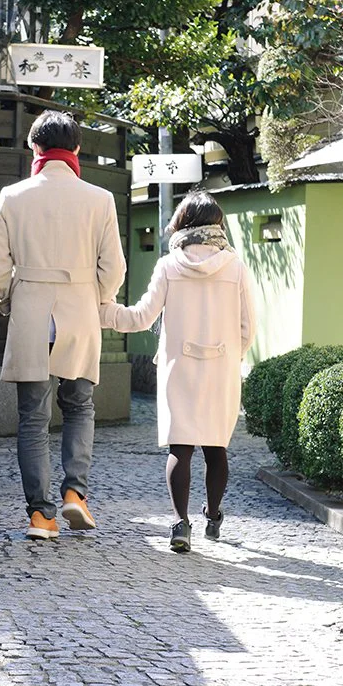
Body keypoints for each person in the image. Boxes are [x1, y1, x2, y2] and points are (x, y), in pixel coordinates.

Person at [0, 111, 127, 540]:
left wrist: (9, 299)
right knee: (80, 406)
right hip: (80, 309)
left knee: (32, 418)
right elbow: (115, 267)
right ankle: (75, 494)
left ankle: (41, 516)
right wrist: (97, 299)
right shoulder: (99, 199)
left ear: (34, 148)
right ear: (77, 150)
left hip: (31, 309)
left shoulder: (12, 196)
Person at [99, 192, 256, 553]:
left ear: (183, 223)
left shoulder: (169, 265)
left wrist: (103, 312)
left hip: (178, 367)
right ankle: (213, 516)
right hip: (222, 367)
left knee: (180, 448)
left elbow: (141, 317)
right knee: (217, 448)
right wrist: (232, 355)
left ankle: (180, 524)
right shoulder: (235, 266)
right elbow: (249, 326)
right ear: (217, 224)